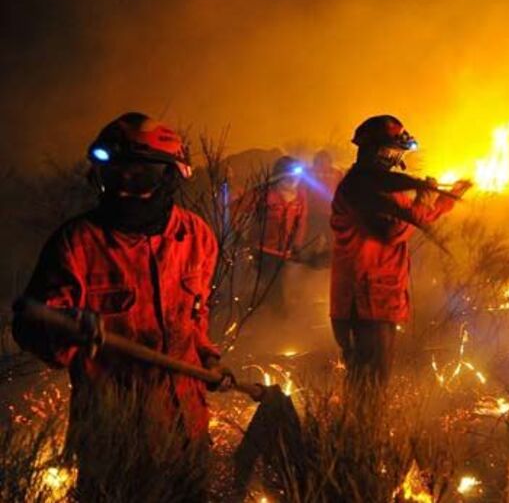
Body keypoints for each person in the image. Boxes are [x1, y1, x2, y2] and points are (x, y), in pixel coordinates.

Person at [12, 112, 232, 500]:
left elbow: (195, 320)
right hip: (114, 440)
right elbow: (29, 328)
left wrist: (209, 359)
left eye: (140, 177)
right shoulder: (77, 244)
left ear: (170, 177)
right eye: (115, 176)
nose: (126, 189)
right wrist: (65, 326)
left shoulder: (196, 236)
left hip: (187, 432)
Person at [330, 115, 471, 390]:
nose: (399, 158)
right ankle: (361, 419)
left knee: (371, 381)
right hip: (364, 302)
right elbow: (393, 231)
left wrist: (446, 199)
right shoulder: (359, 188)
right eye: (396, 151)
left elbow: (415, 217)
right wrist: (424, 198)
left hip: (377, 301)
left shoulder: (377, 187)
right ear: (382, 152)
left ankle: (360, 417)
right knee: (369, 384)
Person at [238, 155, 310, 314]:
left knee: (275, 288)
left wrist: (297, 244)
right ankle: (278, 319)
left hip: (285, 252)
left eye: (297, 175)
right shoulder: (264, 193)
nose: (294, 179)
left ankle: (254, 311)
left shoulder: (300, 195)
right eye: (290, 174)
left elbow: (301, 221)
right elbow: (237, 209)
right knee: (275, 292)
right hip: (263, 250)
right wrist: (239, 235)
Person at [305, 149, 343, 245]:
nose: (322, 164)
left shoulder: (337, 173)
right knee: (312, 238)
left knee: (329, 239)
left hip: (327, 212)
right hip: (315, 212)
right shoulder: (310, 172)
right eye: (320, 161)